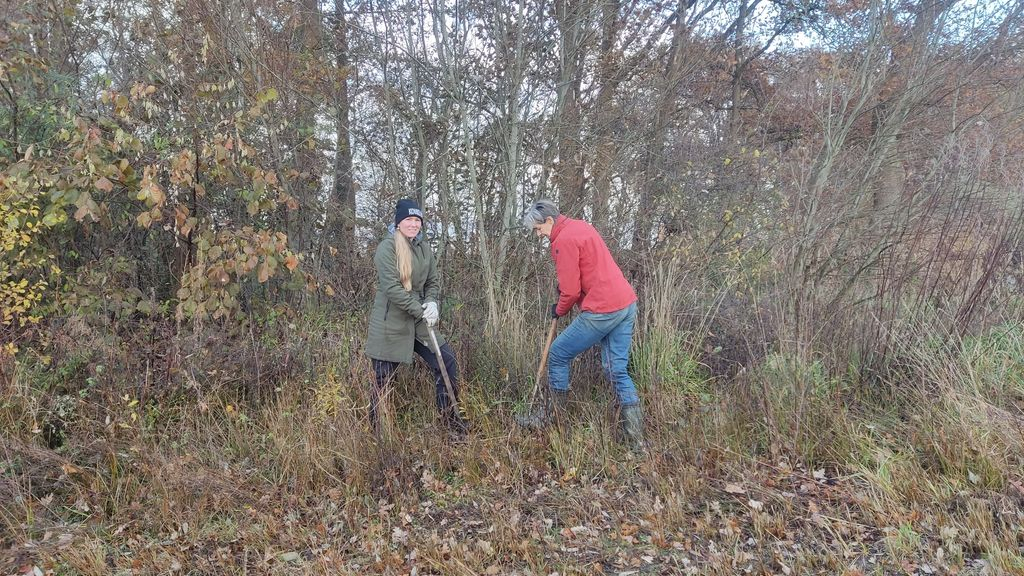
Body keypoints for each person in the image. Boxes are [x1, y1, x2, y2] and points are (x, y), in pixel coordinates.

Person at [515, 199, 644, 451]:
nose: (538, 234)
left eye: (538, 229)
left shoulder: (563, 241)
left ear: (549, 221)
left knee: (558, 353)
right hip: (626, 304)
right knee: (616, 369)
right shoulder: (580, 226)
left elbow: (571, 291)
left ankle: (552, 420)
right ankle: (635, 439)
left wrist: (560, 308)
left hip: (603, 309)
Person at [365, 198, 467, 437]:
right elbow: (392, 288)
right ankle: (376, 434)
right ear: (398, 222)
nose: (413, 224)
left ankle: (449, 421)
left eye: (417, 220)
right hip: (390, 323)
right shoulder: (387, 247)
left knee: (446, 361)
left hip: (419, 322)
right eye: (408, 219)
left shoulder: (423, 247)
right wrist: (421, 309)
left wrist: (432, 302)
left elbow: (433, 281)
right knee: (382, 381)